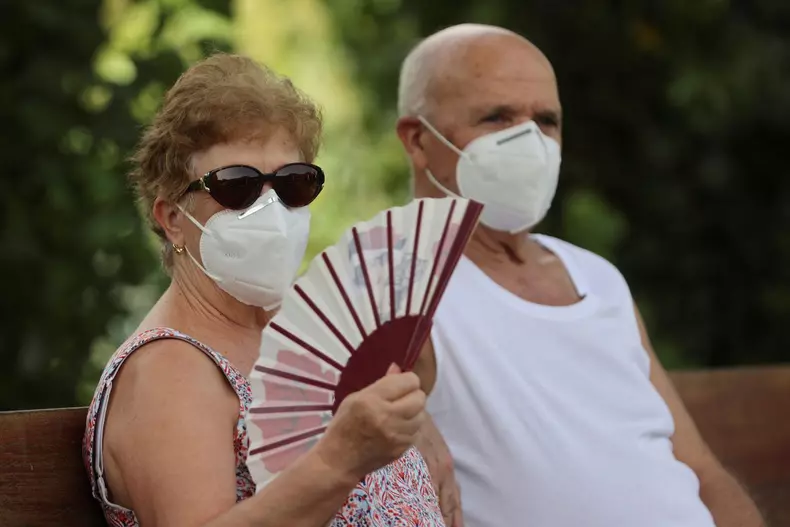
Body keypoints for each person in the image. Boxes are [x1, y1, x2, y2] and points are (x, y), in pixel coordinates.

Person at [398, 24, 766, 527]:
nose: (529, 140)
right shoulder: (390, 287)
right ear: (418, 140)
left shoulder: (597, 278)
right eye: (497, 117)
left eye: (546, 121)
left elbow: (702, 471)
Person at [83, 53, 444, 527]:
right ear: (172, 219)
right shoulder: (169, 370)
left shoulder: (304, 331)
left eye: (294, 183)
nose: (271, 208)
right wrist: (339, 460)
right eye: (237, 186)